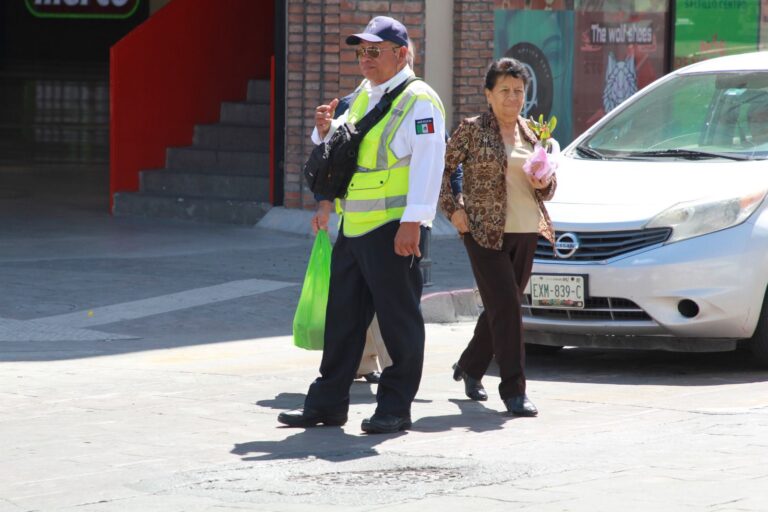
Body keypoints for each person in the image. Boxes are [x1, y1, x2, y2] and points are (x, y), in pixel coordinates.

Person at [278, 16, 446, 434]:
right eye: (361, 51)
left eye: (375, 51)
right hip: (354, 228)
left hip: (394, 228)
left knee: (398, 321)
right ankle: (328, 403)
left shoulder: (420, 100)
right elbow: (344, 146)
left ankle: (395, 406)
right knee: (343, 320)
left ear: (401, 54)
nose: (365, 59)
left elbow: (429, 164)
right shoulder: (363, 94)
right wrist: (323, 132)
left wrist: (416, 221)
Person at [439, 57, 557, 417]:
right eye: (504, 90)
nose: (512, 97)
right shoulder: (472, 130)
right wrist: (454, 209)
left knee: (499, 308)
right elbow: (441, 170)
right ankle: (514, 391)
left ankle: (470, 367)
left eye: (518, 91)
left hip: (526, 231)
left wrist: (545, 182)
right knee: (508, 307)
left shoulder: (533, 134)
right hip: (483, 234)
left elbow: (549, 186)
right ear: (488, 94)